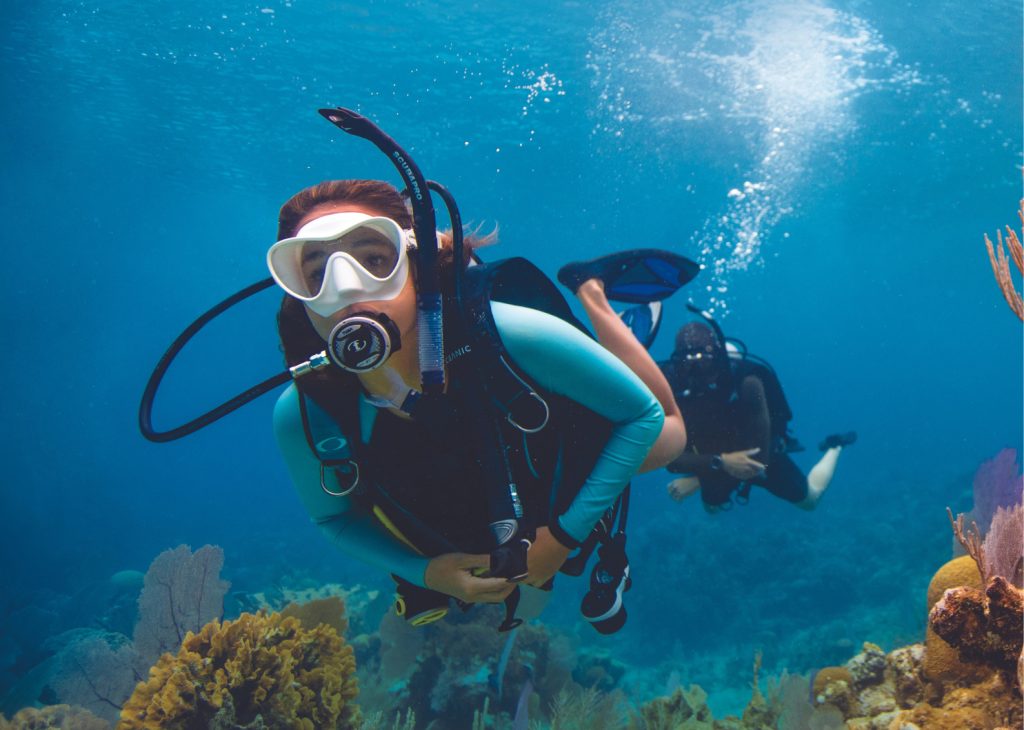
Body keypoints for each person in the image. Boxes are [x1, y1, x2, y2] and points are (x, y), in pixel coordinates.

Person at [269, 178, 690, 629]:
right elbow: (334, 518)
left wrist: (564, 536)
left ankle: (593, 294)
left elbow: (642, 415)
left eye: (375, 260)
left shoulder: (513, 333)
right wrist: (427, 572)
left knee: (671, 435)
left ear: (417, 266)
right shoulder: (306, 414)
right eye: (317, 274)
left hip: (562, 450)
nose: (346, 289)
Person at [661, 319, 855, 512]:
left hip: (761, 453)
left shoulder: (748, 383)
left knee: (810, 500)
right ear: (676, 363)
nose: (696, 372)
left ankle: (835, 446)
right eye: (686, 364)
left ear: (718, 357)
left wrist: (700, 478)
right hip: (717, 460)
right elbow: (667, 458)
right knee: (711, 509)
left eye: (704, 361)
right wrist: (718, 463)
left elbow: (758, 460)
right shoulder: (670, 385)